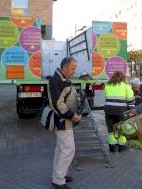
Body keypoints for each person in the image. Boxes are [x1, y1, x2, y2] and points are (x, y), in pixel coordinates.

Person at [49, 57, 82, 189]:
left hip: (66, 120)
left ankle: (58, 175)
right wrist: (71, 115)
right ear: (64, 67)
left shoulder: (63, 79)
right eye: (72, 68)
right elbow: (58, 103)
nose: (74, 71)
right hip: (63, 120)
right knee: (68, 150)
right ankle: (58, 180)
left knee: (61, 149)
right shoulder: (56, 80)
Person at [104, 71, 135, 152]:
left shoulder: (108, 85)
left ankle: (112, 147)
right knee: (122, 129)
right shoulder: (126, 86)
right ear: (123, 77)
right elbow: (131, 100)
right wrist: (132, 110)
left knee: (111, 129)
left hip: (109, 110)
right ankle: (121, 146)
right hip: (121, 112)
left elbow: (106, 96)